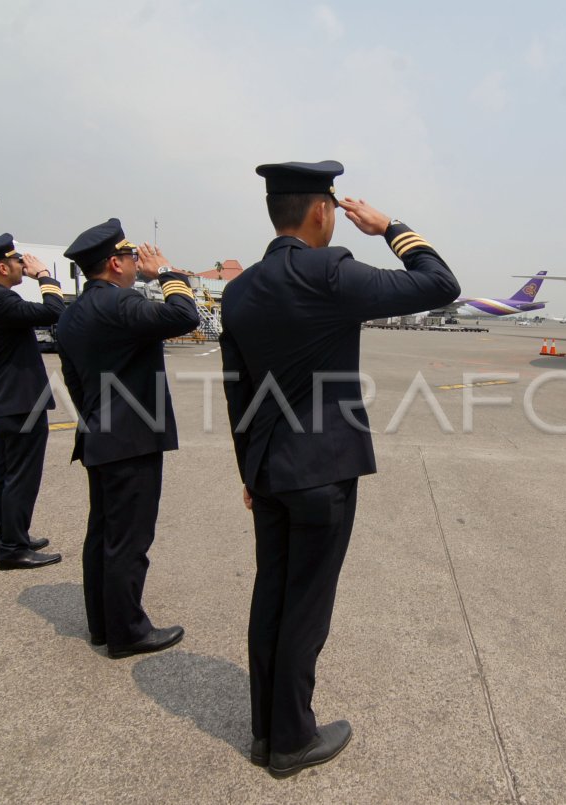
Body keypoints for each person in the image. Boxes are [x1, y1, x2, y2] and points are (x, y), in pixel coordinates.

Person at [220, 160, 460, 777]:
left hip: (270, 469)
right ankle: (292, 739)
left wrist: (250, 471)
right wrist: (390, 227)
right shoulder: (331, 271)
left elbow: (237, 391)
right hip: (322, 472)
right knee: (307, 606)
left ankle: (264, 732)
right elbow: (440, 284)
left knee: (271, 596)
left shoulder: (239, 290)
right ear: (323, 210)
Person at [55, 218, 199, 658]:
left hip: (99, 435)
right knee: (129, 542)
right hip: (131, 441)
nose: (139, 264)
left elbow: (75, 383)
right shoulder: (120, 304)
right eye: (132, 258)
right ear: (115, 264)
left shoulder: (72, 314)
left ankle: (102, 624)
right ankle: (127, 631)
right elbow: (184, 316)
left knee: (101, 535)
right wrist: (169, 275)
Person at [0, 233, 64, 570]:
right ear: (3, 267)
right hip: (19, 401)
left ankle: (11, 534)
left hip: (3, 399)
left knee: (5, 473)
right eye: (19, 261)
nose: (24, 265)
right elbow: (53, 311)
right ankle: (12, 547)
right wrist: (45, 276)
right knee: (20, 475)